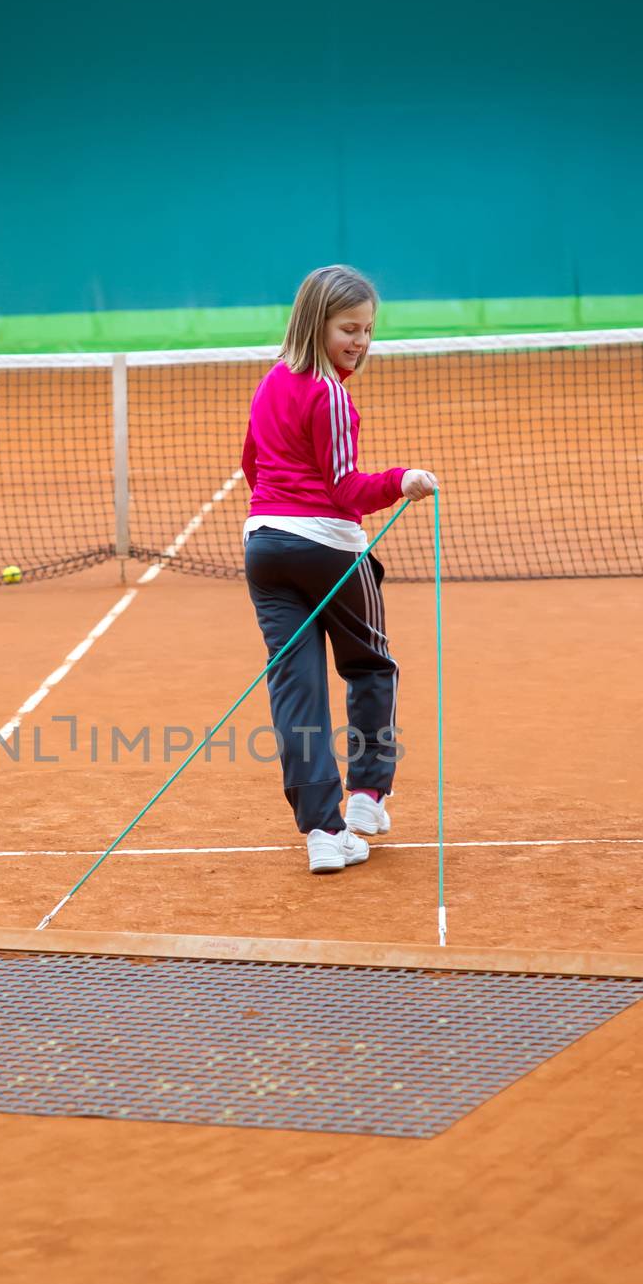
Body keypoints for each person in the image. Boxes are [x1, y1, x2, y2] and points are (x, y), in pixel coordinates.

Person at [241, 264, 438, 874]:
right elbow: (347, 489)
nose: (360, 341)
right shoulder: (330, 394)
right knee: (370, 665)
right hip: (329, 550)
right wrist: (403, 480)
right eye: (349, 328)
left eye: (368, 330)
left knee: (296, 692)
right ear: (316, 324)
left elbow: (251, 465)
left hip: (264, 548)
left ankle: (324, 834)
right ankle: (369, 795)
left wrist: (282, 518)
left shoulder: (272, 381)